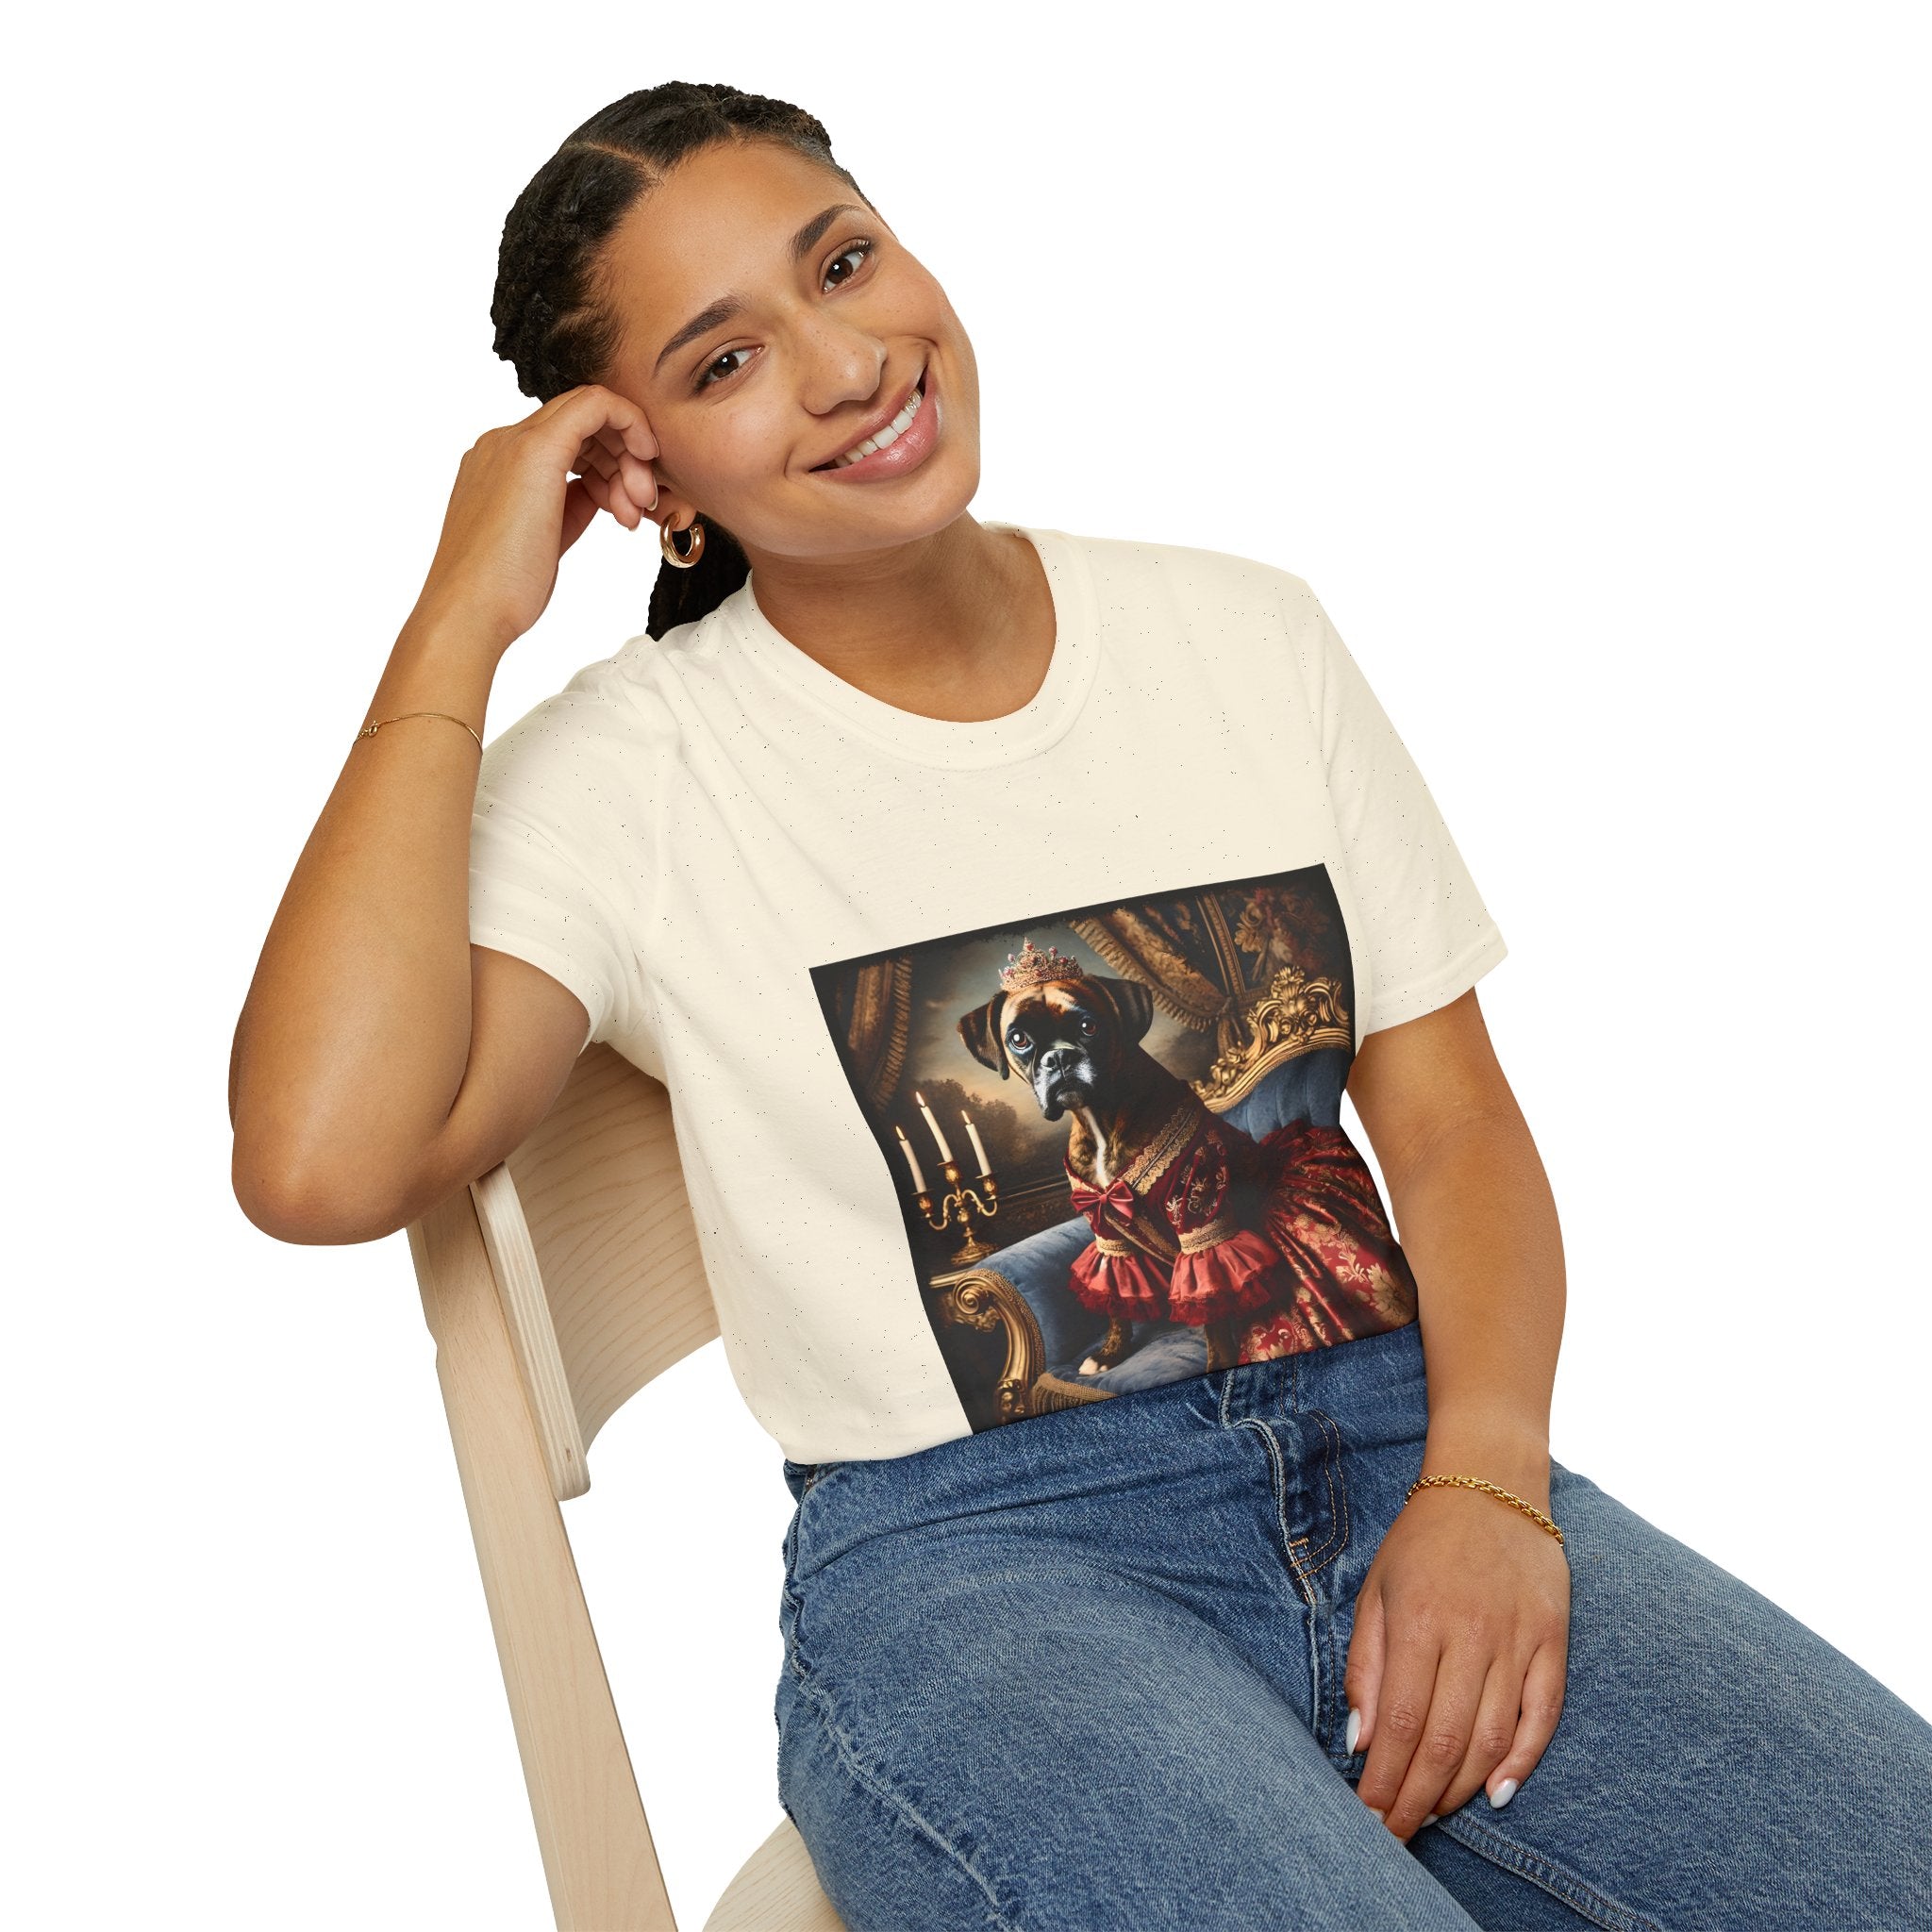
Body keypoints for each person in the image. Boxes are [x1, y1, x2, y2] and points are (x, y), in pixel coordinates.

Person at [228, 81, 1932, 1931]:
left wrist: (1490, 1488)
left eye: (845, 262)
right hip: (986, 1569)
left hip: (1401, 1446)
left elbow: (1447, 1127)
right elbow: (321, 1158)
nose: (845, 362)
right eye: (724, 363)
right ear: (647, 478)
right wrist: (456, 619)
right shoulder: (635, 772)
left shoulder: (1243, 636)